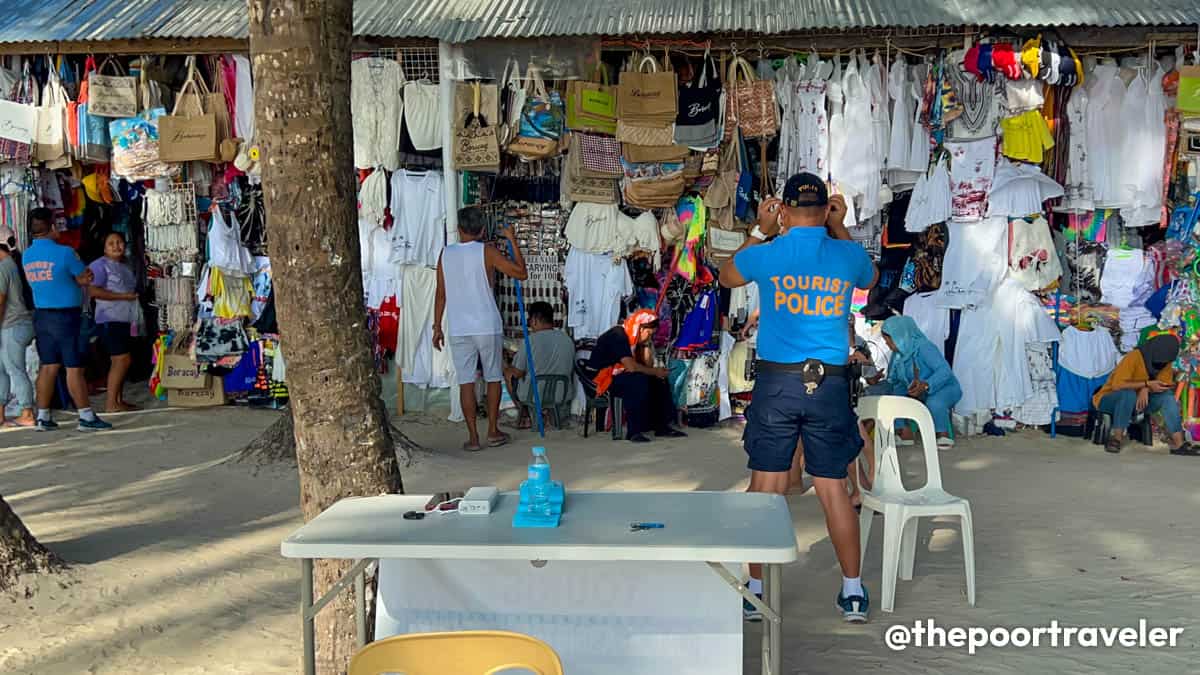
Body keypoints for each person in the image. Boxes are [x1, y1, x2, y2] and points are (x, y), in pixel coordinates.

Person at [719, 172, 878, 623]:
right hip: (829, 385)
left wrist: (760, 229)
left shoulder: (768, 253)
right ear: (825, 210)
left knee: (766, 489)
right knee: (833, 488)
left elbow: (727, 275)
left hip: (778, 384)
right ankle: (852, 593)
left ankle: (756, 592)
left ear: (785, 211)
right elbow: (869, 277)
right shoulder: (846, 254)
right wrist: (840, 226)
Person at [433, 207, 527, 451]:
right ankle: (493, 431)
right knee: (493, 377)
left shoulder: (446, 254)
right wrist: (512, 240)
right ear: (483, 230)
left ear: (458, 229)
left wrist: (437, 327)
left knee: (466, 382)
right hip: (486, 325)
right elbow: (521, 273)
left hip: (458, 327)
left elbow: (440, 294)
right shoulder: (487, 251)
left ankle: (473, 437)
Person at [22, 208, 111, 431]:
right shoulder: (65, 253)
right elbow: (85, 277)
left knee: (48, 366)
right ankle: (86, 417)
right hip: (67, 316)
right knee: (74, 367)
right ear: (52, 227)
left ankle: (43, 417)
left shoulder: (27, 255)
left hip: (42, 316)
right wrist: (79, 279)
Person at [586, 309, 686, 443]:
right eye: (649, 334)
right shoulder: (618, 335)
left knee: (658, 380)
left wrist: (646, 344)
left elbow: (647, 364)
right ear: (640, 327)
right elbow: (631, 367)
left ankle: (662, 426)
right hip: (602, 378)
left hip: (618, 374)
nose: (650, 337)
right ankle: (634, 431)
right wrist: (655, 371)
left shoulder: (634, 340)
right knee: (637, 380)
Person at [1093, 332, 1197, 456]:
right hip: (1110, 400)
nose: (1161, 365)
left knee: (1167, 397)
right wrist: (1145, 384)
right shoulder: (1133, 357)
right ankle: (1116, 439)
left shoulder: (1166, 362)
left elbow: (1163, 385)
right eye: (1159, 362)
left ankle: (1179, 444)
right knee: (1128, 394)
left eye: (1164, 363)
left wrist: (1146, 388)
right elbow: (1117, 385)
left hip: (1139, 402)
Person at [881, 315, 963, 448]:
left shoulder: (925, 347)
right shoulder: (898, 354)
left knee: (935, 402)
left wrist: (925, 385)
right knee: (893, 395)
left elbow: (944, 371)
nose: (887, 344)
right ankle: (904, 432)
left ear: (900, 336)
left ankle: (942, 434)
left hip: (945, 387)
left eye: (889, 340)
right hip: (919, 391)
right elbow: (893, 379)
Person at [88, 232, 141, 412]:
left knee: (121, 361)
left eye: (119, 242)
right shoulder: (99, 265)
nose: (116, 246)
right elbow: (93, 291)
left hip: (125, 319)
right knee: (121, 360)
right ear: (104, 248)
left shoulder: (125, 266)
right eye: (111, 243)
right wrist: (123, 296)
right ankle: (111, 403)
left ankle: (118, 400)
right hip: (110, 319)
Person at [504, 301, 575, 429]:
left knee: (508, 373)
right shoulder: (567, 339)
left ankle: (525, 415)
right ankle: (548, 414)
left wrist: (509, 363)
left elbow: (518, 373)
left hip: (534, 395)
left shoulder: (530, 340)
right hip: (562, 394)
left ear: (535, 320)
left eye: (530, 321)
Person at [0, 226, 35, 427]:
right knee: (4, 370)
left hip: (12, 325)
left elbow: (1, 301)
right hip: (16, 323)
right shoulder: (13, 263)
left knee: (15, 370)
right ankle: (1, 414)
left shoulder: (4, 267)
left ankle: (27, 413)